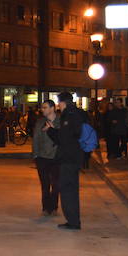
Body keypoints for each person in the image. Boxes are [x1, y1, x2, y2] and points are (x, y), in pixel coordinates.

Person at [46, 92, 86, 230]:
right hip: (75, 157)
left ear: (62, 102)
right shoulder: (77, 114)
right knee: (72, 190)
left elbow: (63, 139)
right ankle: (74, 220)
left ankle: (73, 221)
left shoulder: (68, 116)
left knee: (68, 190)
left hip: (68, 158)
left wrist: (50, 131)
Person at [32, 100, 60, 217]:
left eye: (45, 107)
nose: (42, 110)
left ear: (52, 108)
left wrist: (54, 130)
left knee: (56, 184)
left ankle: (53, 207)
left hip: (57, 157)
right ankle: (45, 207)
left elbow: (65, 138)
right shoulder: (40, 122)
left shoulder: (62, 121)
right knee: (45, 184)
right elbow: (36, 139)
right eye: (42, 108)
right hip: (42, 157)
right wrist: (36, 155)